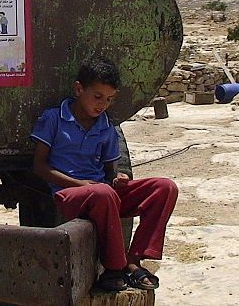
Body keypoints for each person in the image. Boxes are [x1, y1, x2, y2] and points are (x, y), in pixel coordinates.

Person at [31, 56, 178, 292]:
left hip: (103, 194)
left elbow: (111, 172)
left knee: (165, 187)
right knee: (101, 192)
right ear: (79, 89)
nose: (102, 105)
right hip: (69, 195)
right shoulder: (54, 119)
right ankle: (114, 267)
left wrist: (119, 179)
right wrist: (79, 184)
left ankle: (135, 258)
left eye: (109, 99)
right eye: (97, 97)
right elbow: (40, 166)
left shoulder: (105, 125)